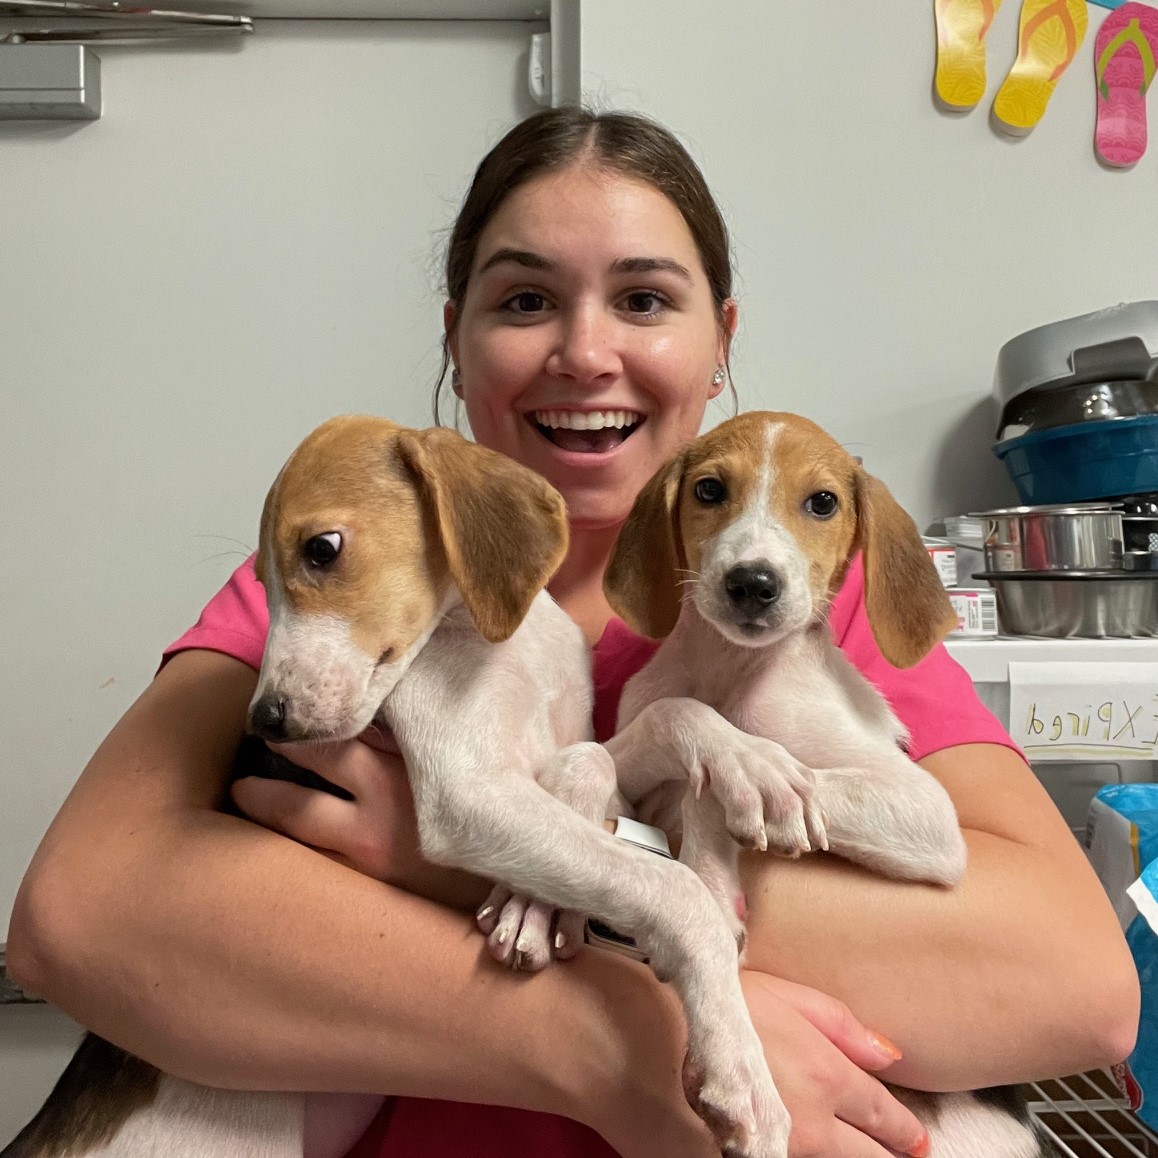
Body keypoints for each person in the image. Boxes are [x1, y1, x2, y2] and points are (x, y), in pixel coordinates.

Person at [8, 107, 1138, 1158]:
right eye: (523, 301)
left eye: (645, 300)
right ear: (456, 338)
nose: (585, 354)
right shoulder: (344, 593)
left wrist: (454, 865)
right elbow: (74, 919)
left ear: (719, 341)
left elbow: (1076, 988)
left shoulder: (800, 601)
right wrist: (599, 1046)